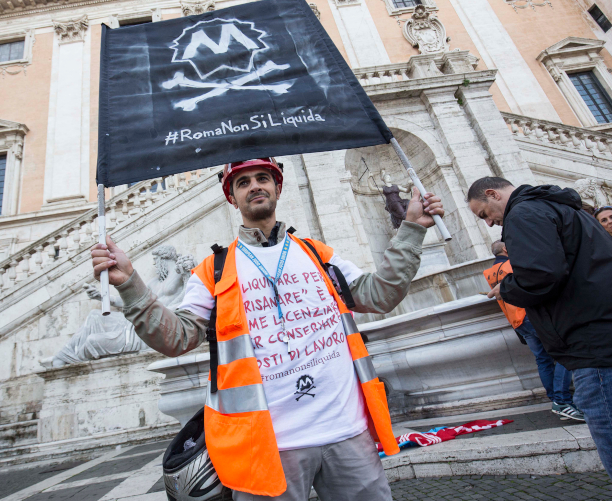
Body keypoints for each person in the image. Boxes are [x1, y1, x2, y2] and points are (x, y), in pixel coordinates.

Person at [92, 158, 445, 501]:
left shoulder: (318, 254)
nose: (254, 186)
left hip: (346, 432)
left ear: (278, 186)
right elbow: (176, 338)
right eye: (242, 182)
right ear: (231, 198)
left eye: (262, 178)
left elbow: (381, 294)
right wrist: (130, 285)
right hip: (265, 446)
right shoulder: (212, 270)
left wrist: (411, 229)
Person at [467, 177, 612, 478]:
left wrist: (507, 287)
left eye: (484, 214)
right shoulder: (563, 208)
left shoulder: (523, 213)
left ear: (492, 194)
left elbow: (541, 274)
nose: (490, 224)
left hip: (589, 339)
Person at [484, 241, 584, 421]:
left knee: (543, 359)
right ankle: (562, 400)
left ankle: (556, 400)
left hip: (517, 321)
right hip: (529, 315)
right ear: (506, 249)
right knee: (565, 351)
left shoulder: (489, 272)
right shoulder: (511, 264)